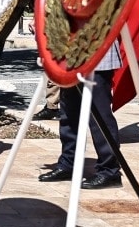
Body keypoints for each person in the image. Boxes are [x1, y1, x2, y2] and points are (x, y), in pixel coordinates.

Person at [39, 44, 123, 190]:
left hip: (98, 55)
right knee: (69, 114)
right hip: (70, 57)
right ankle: (68, 163)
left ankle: (110, 170)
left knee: (99, 117)